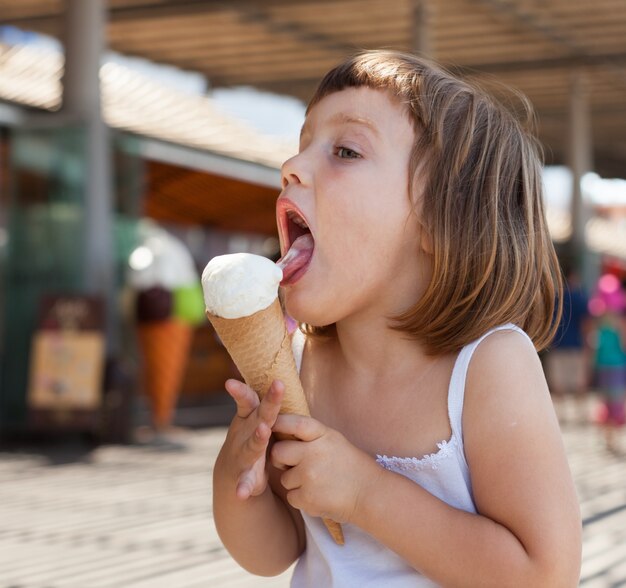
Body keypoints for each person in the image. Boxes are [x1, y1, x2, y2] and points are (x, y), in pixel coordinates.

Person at [212, 50, 582, 586]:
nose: (291, 167)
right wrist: (237, 477)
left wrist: (366, 494)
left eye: (344, 150)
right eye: (301, 146)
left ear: (438, 222)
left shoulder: (487, 366)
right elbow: (274, 553)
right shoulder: (299, 366)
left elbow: (544, 573)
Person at [545, 267, 590, 423]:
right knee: (579, 380)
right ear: (574, 277)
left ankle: (560, 415)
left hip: (558, 344)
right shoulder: (580, 297)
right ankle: (582, 414)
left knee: (558, 381)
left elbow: (549, 321)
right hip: (576, 344)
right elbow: (586, 323)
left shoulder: (556, 298)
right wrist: (587, 345)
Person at [589, 273, 626, 453]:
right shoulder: (618, 321)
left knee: (608, 402)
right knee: (615, 402)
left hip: (606, 365)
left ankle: (609, 438)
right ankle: (612, 439)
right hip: (616, 365)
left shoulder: (600, 320)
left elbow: (595, 344)